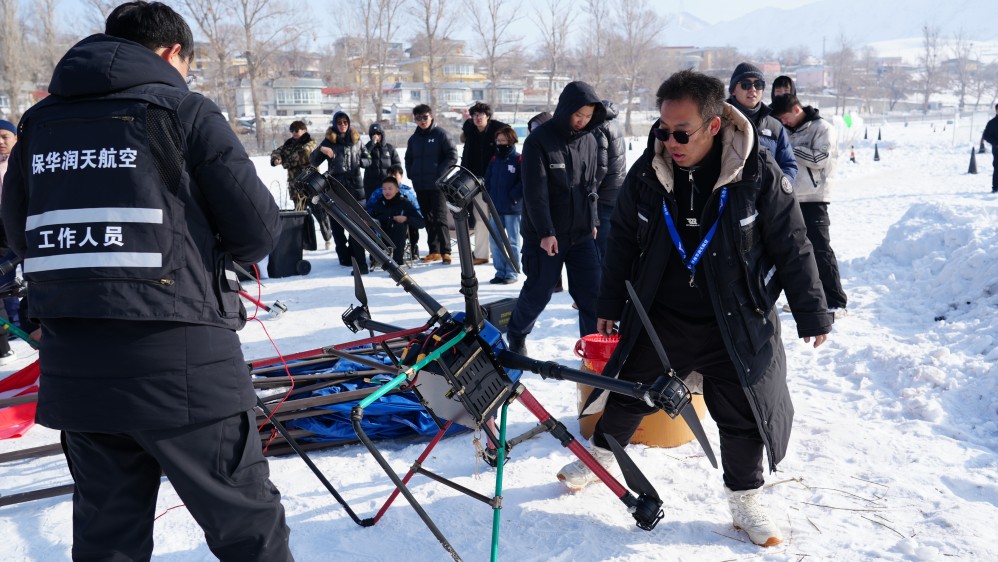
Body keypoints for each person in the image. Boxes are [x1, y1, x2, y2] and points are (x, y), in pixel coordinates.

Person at [0, 2, 293, 560]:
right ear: (171, 52)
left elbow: (20, 234)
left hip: (78, 369)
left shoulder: (38, 124)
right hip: (184, 366)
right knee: (247, 530)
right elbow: (257, 231)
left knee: (108, 539)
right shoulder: (183, 111)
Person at [557, 69, 832, 548]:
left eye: (680, 132)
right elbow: (621, 239)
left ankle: (745, 501)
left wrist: (812, 312)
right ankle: (598, 457)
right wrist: (608, 303)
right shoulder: (649, 171)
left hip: (736, 318)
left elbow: (793, 243)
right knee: (626, 392)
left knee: (742, 413)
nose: (669, 140)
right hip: (661, 316)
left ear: (712, 126)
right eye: (662, 129)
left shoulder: (757, 173)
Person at [504, 81, 606, 354]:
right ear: (565, 109)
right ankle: (516, 334)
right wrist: (546, 232)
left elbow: (591, 187)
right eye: (578, 115)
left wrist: (593, 221)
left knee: (592, 295)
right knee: (539, 290)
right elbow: (535, 191)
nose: (582, 122)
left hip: (581, 232)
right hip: (546, 234)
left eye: (588, 117)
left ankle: (593, 349)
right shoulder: (539, 140)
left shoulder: (589, 140)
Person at [771, 94, 848, 316]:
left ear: (796, 110)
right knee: (799, 252)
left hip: (815, 197)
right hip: (792, 197)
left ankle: (836, 301)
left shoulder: (822, 128)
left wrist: (789, 148)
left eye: (784, 118)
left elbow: (819, 159)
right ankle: (810, 300)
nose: (783, 123)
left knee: (821, 250)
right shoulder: (788, 130)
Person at [310, 111, 371, 271]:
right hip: (335, 187)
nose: (342, 125)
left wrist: (361, 161)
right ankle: (343, 256)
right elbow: (312, 160)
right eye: (339, 123)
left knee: (356, 223)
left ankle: (356, 255)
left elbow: (368, 158)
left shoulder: (357, 140)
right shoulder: (329, 141)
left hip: (355, 188)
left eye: (345, 122)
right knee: (337, 225)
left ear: (349, 123)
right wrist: (321, 150)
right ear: (335, 124)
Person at [726, 62, 798, 182]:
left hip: (764, 199)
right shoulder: (718, 121)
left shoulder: (774, 126)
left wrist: (779, 189)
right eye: (745, 85)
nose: (752, 89)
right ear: (733, 90)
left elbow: (788, 165)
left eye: (758, 84)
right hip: (727, 198)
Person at [404, 104, 458, 264]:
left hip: (437, 185)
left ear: (431, 116)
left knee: (440, 218)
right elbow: (408, 159)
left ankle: (445, 251)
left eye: (424, 117)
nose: (422, 121)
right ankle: (434, 250)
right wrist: (411, 173)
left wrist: (439, 174)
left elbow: (452, 155)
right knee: (428, 218)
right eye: (418, 118)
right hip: (420, 184)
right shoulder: (414, 139)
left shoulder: (441, 134)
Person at [461, 102, 508, 265]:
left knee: (500, 219)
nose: (477, 118)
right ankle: (481, 254)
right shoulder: (471, 133)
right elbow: (466, 158)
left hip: (498, 182)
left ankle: (503, 252)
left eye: (480, 115)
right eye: (474, 115)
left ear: (488, 116)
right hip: (476, 182)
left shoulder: (499, 132)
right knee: (480, 219)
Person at [483, 125, 523, 284]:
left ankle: (512, 272)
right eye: (498, 140)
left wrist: (513, 195)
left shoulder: (519, 159)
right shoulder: (494, 160)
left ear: (511, 140)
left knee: (512, 242)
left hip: (512, 208)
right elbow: (487, 179)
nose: (499, 143)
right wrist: (487, 195)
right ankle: (500, 272)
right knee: (495, 241)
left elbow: (523, 182)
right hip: (495, 207)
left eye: (503, 140)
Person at [592, 99, 626, 260]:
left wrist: (591, 189)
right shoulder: (615, 125)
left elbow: (601, 165)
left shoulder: (599, 128)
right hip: (617, 190)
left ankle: (602, 283)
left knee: (601, 245)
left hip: (604, 193)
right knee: (612, 242)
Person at [369, 176, 425, 264]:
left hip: (398, 238)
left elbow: (421, 223)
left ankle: (397, 262)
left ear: (397, 190)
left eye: (390, 189)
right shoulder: (379, 203)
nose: (387, 191)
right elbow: (370, 218)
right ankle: (361, 264)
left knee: (399, 225)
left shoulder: (405, 203)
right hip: (382, 236)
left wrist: (406, 219)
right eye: (384, 189)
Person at [0, 118, 19, 364]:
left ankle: (20, 323)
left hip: (20, 224)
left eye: (5, 136)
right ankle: (10, 330)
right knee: (4, 281)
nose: (1, 142)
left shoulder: (22, 162)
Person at [363, 122, 401, 199]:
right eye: (373, 134)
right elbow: (362, 158)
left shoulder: (390, 148)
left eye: (378, 134)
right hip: (371, 186)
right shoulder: (368, 147)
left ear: (382, 134)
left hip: (387, 185)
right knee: (372, 208)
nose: (376, 136)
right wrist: (372, 144)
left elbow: (397, 165)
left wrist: (395, 178)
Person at [982, 103, 998, 194]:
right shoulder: (992, 123)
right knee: (997, 168)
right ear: (996, 110)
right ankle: (995, 187)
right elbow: (986, 136)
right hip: (997, 149)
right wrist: (996, 144)